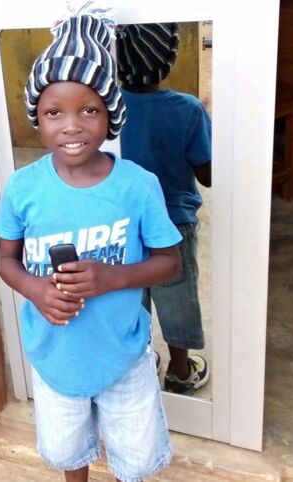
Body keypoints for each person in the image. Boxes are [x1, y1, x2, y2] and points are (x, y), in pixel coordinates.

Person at [0, 8, 183, 482]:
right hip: (55, 354)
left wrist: (111, 277)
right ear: (36, 118)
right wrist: (36, 289)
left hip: (123, 352)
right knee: (68, 450)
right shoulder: (23, 188)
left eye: (89, 110)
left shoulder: (137, 185)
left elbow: (170, 262)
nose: (71, 125)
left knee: (134, 459)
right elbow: (6, 261)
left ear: (111, 114)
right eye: (53, 112)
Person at [116, 23, 212, 394]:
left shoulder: (106, 109)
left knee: (130, 298)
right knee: (177, 300)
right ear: (169, 58)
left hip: (123, 223)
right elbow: (207, 174)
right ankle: (181, 371)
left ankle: (140, 363)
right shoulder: (188, 109)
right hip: (173, 225)